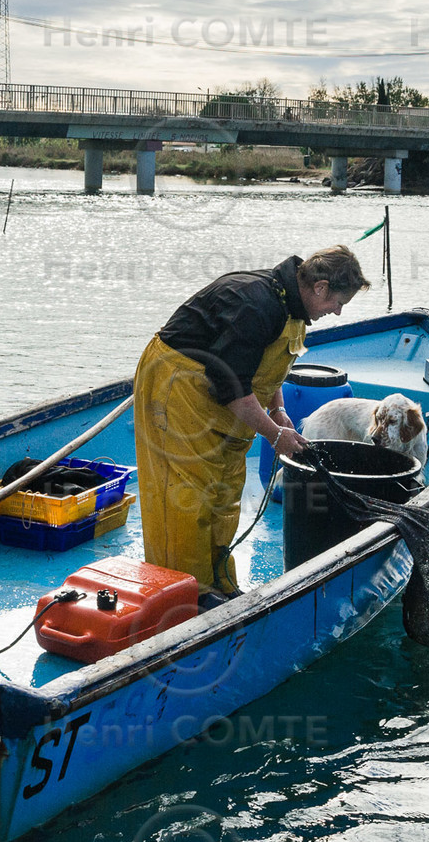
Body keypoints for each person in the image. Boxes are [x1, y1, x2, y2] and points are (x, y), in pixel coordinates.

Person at [133, 247, 370, 603]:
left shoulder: (292, 303)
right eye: (338, 302)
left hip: (220, 403)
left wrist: (277, 409)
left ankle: (217, 582)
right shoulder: (256, 305)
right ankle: (185, 595)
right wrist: (275, 436)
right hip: (178, 389)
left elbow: (267, 365)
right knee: (186, 495)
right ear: (320, 287)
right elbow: (228, 386)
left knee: (225, 489)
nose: (336, 312)